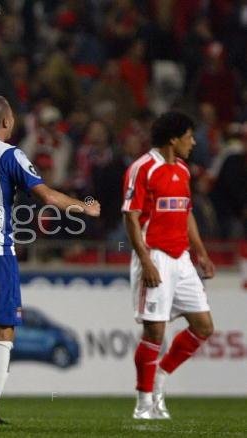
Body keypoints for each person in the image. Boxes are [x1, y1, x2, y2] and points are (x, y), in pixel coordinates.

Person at [0, 95, 100, 424]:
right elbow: (46, 196)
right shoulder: (9, 154)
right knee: (3, 333)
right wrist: (86, 207)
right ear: (6, 121)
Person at [122, 111, 215, 420]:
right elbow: (131, 217)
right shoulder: (143, 168)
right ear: (173, 139)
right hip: (155, 256)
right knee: (155, 332)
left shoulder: (183, 170)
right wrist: (146, 260)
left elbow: (185, 212)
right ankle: (143, 402)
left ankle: (160, 377)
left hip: (182, 258)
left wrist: (201, 252)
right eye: (189, 136)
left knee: (204, 326)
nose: (193, 142)